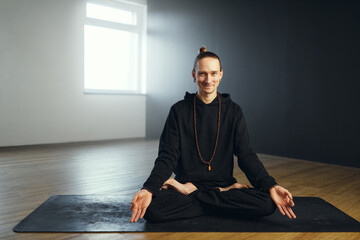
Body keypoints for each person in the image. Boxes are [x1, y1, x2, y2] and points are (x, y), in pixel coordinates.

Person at [130, 46, 296, 223]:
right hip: (194, 186)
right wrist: (149, 188)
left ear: (221, 74)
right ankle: (219, 200)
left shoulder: (233, 111)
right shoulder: (178, 110)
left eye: (214, 73)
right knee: (152, 210)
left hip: (205, 187)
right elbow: (167, 156)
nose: (208, 80)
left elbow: (246, 155)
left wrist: (271, 185)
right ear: (193, 75)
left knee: (266, 204)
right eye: (202, 74)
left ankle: (200, 195)